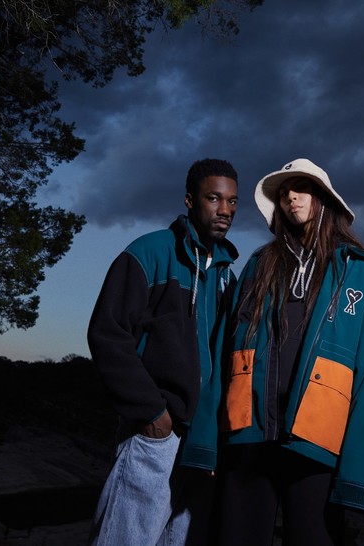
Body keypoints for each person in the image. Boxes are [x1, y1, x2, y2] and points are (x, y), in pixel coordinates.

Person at [218, 158, 364, 545]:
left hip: (316, 438)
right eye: (284, 193)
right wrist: (210, 444)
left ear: (323, 198)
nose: (291, 196)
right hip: (251, 433)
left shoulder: (356, 267)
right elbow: (227, 351)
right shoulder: (260, 263)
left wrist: (357, 473)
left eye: (302, 188)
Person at [87, 158, 239, 546]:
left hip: (202, 444)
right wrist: (152, 414)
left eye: (232, 202)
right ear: (190, 200)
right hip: (157, 435)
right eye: (214, 198)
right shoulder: (150, 252)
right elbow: (108, 334)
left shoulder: (228, 277)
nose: (224, 210)